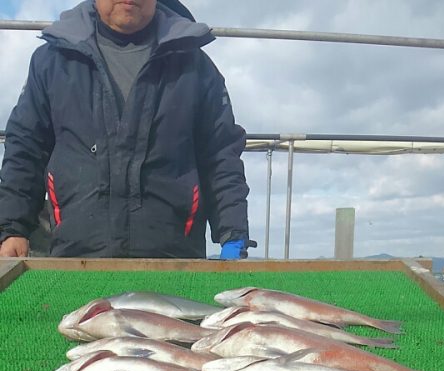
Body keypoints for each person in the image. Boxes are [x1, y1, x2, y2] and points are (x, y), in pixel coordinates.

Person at [0, 0, 255, 260]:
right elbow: (26, 148)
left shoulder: (197, 67)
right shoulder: (51, 62)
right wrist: (12, 228)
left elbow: (220, 156)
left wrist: (233, 234)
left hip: (176, 260)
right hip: (75, 257)